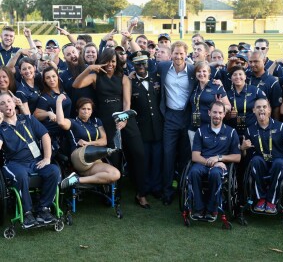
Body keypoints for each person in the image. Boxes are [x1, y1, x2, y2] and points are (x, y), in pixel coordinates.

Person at [72, 48, 150, 208]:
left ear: (117, 62)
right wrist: (88, 68)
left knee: (139, 154)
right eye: (107, 61)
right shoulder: (95, 77)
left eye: (113, 61)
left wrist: (125, 118)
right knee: (114, 158)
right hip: (107, 122)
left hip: (125, 119)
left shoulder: (123, 78)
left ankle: (141, 194)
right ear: (102, 61)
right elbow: (76, 84)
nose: (110, 64)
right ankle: (115, 193)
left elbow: (127, 103)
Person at [0, 92, 61, 228]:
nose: (6, 105)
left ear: (14, 103)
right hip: (14, 164)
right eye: (2, 104)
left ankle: (43, 209)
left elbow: (45, 135)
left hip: (35, 161)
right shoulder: (1, 127)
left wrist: (47, 158)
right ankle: (27, 213)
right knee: (21, 175)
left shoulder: (27, 119)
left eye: (8, 101)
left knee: (53, 171)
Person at [241, 98, 283, 214]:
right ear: (253, 110)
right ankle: (261, 199)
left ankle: (271, 201)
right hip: (261, 161)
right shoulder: (249, 130)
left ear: (269, 110)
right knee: (255, 160)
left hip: (280, 159)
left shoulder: (281, 127)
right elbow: (244, 155)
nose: (261, 109)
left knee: (278, 163)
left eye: (264, 107)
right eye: (258, 107)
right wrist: (242, 148)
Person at [157, 40, 195, 205]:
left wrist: (218, 83)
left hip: (187, 116)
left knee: (186, 156)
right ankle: (167, 191)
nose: (178, 56)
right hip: (170, 117)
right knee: (168, 155)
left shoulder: (193, 70)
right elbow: (141, 63)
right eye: (176, 53)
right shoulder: (163, 67)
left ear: (186, 54)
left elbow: (210, 72)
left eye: (181, 53)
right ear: (171, 54)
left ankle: (184, 188)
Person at [189, 101, 241, 220]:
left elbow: (237, 157)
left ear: (224, 115)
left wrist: (219, 159)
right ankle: (199, 208)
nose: (217, 115)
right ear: (209, 113)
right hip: (202, 163)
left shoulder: (231, 132)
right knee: (193, 172)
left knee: (215, 173)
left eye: (220, 113)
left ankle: (212, 210)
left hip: (220, 166)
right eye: (214, 112)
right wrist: (211, 162)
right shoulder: (201, 131)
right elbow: (195, 156)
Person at [56, 95, 121, 188]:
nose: (86, 111)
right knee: (92, 152)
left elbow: (104, 141)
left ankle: (76, 179)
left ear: (92, 111)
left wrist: (88, 143)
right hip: (78, 156)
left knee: (115, 174)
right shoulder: (73, 122)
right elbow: (61, 122)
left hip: (94, 159)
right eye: (83, 109)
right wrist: (58, 101)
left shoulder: (96, 121)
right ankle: (109, 151)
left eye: (89, 109)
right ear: (77, 110)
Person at [130, 50, 164, 199]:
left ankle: (156, 187)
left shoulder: (157, 78)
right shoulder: (130, 83)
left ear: (148, 63)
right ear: (133, 65)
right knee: (144, 159)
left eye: (143, 63)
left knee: (157, 159)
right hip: (141, 128)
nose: (141, 66)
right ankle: (144, 187)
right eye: (137, 64)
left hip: (158, 126)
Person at [188, 62, 231, 147]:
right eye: (199, 71)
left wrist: (221, 106)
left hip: (210, 128)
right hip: (193, 128)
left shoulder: (217, 86)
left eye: (204, 71)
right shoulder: (194, 86)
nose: (201, 74)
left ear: (209, 73)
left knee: (208, 156)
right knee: (195, 155)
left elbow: (228, 106)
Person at [34, 66, 72, 153]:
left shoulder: (63, 89)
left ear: (58, 77)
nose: (51, 79)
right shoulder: (45, 97)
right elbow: (36, 115)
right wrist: (48, 113)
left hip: (66, 130)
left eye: (53, 76)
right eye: (48, 77)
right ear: (44, 80)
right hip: (53, 134)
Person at [226, 66, 266, 137]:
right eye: (235, 74)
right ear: (231, 78)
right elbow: (225, 115)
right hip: (234, 131)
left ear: (245, 77)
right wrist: (229, 115)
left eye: (240, 74)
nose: (238, 77)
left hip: (253, 129)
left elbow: (266, 107)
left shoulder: (255, 91)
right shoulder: (227, 94)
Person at [59, 43, 95, 117]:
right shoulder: (63, 76)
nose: (72, 55)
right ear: (64, 58)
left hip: (94, 113)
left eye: (73, 52)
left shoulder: (91, 69)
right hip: (74, 116)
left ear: (78, 53)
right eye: (68, 54)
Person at [247, 51, 282, 120]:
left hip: (263, 121)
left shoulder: (272, 82)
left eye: (256, 61)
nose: (252, 64)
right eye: (250, 62)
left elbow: (276, 107)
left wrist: (273, 124)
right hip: (247, 121)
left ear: (264, 60)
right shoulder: (245, 77)